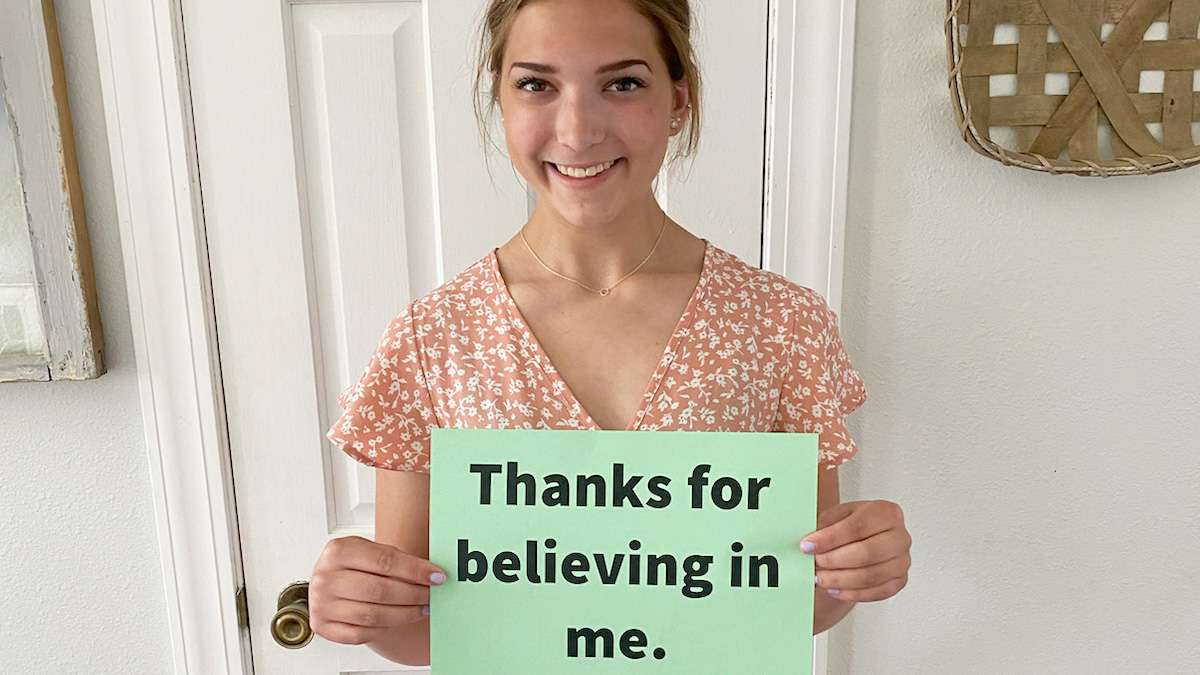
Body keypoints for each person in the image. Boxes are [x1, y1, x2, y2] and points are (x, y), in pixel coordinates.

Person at [308, 0, 912, 666]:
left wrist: (852, 571)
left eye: (622, 83)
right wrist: (360, 607)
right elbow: (429, 631)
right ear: (500, 100)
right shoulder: (434, 340)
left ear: (678, 97)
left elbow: (787, 602)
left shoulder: (779, 325)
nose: (576, 131)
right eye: (537, 84)